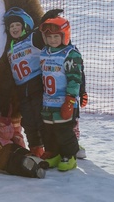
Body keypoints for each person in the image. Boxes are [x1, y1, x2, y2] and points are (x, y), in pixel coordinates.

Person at [39, 15, 83, 171]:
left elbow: (75, 79)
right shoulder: (45, 52)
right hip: (47, 101)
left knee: (64, 131)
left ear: (64, 36)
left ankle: (69, 156)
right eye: (49, 37)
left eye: (56, 36)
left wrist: (70, 100)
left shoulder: (70, 54)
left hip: (64, 101)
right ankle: (54, 153)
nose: (52, 40)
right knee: (49, 131)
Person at [4, 7, 46, 157]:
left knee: (41, 119)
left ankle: (51, 149)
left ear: (25, 25)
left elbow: (46, 37)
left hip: (36, 86)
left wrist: (47, 21)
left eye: (17, 25)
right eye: (11, 26)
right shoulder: (10, 47)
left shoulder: (33, 38)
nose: (14, 28)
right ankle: (36, 149)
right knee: (28, 122)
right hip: (22, 90)